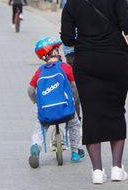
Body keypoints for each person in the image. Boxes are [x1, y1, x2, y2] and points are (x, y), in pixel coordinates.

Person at [61, 0, 128, 184]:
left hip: (86, 62)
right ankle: (117, 167)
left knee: (92, 113)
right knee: (116, 110)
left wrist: (86, 40)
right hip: (115, 59)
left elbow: (67, 38)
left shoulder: (73, 1)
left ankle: (97, 171)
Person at [27, 37, 85, 168]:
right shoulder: (65, 67)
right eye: (57, 50)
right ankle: (76, 151)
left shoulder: (40, 71)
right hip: (65, 109)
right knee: (74, 123)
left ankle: (35, 149)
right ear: (53, 53)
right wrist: (73, 100)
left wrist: (37, 101)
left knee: (40, 129)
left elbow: (30, 90)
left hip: (46, 111)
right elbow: (75, 87)